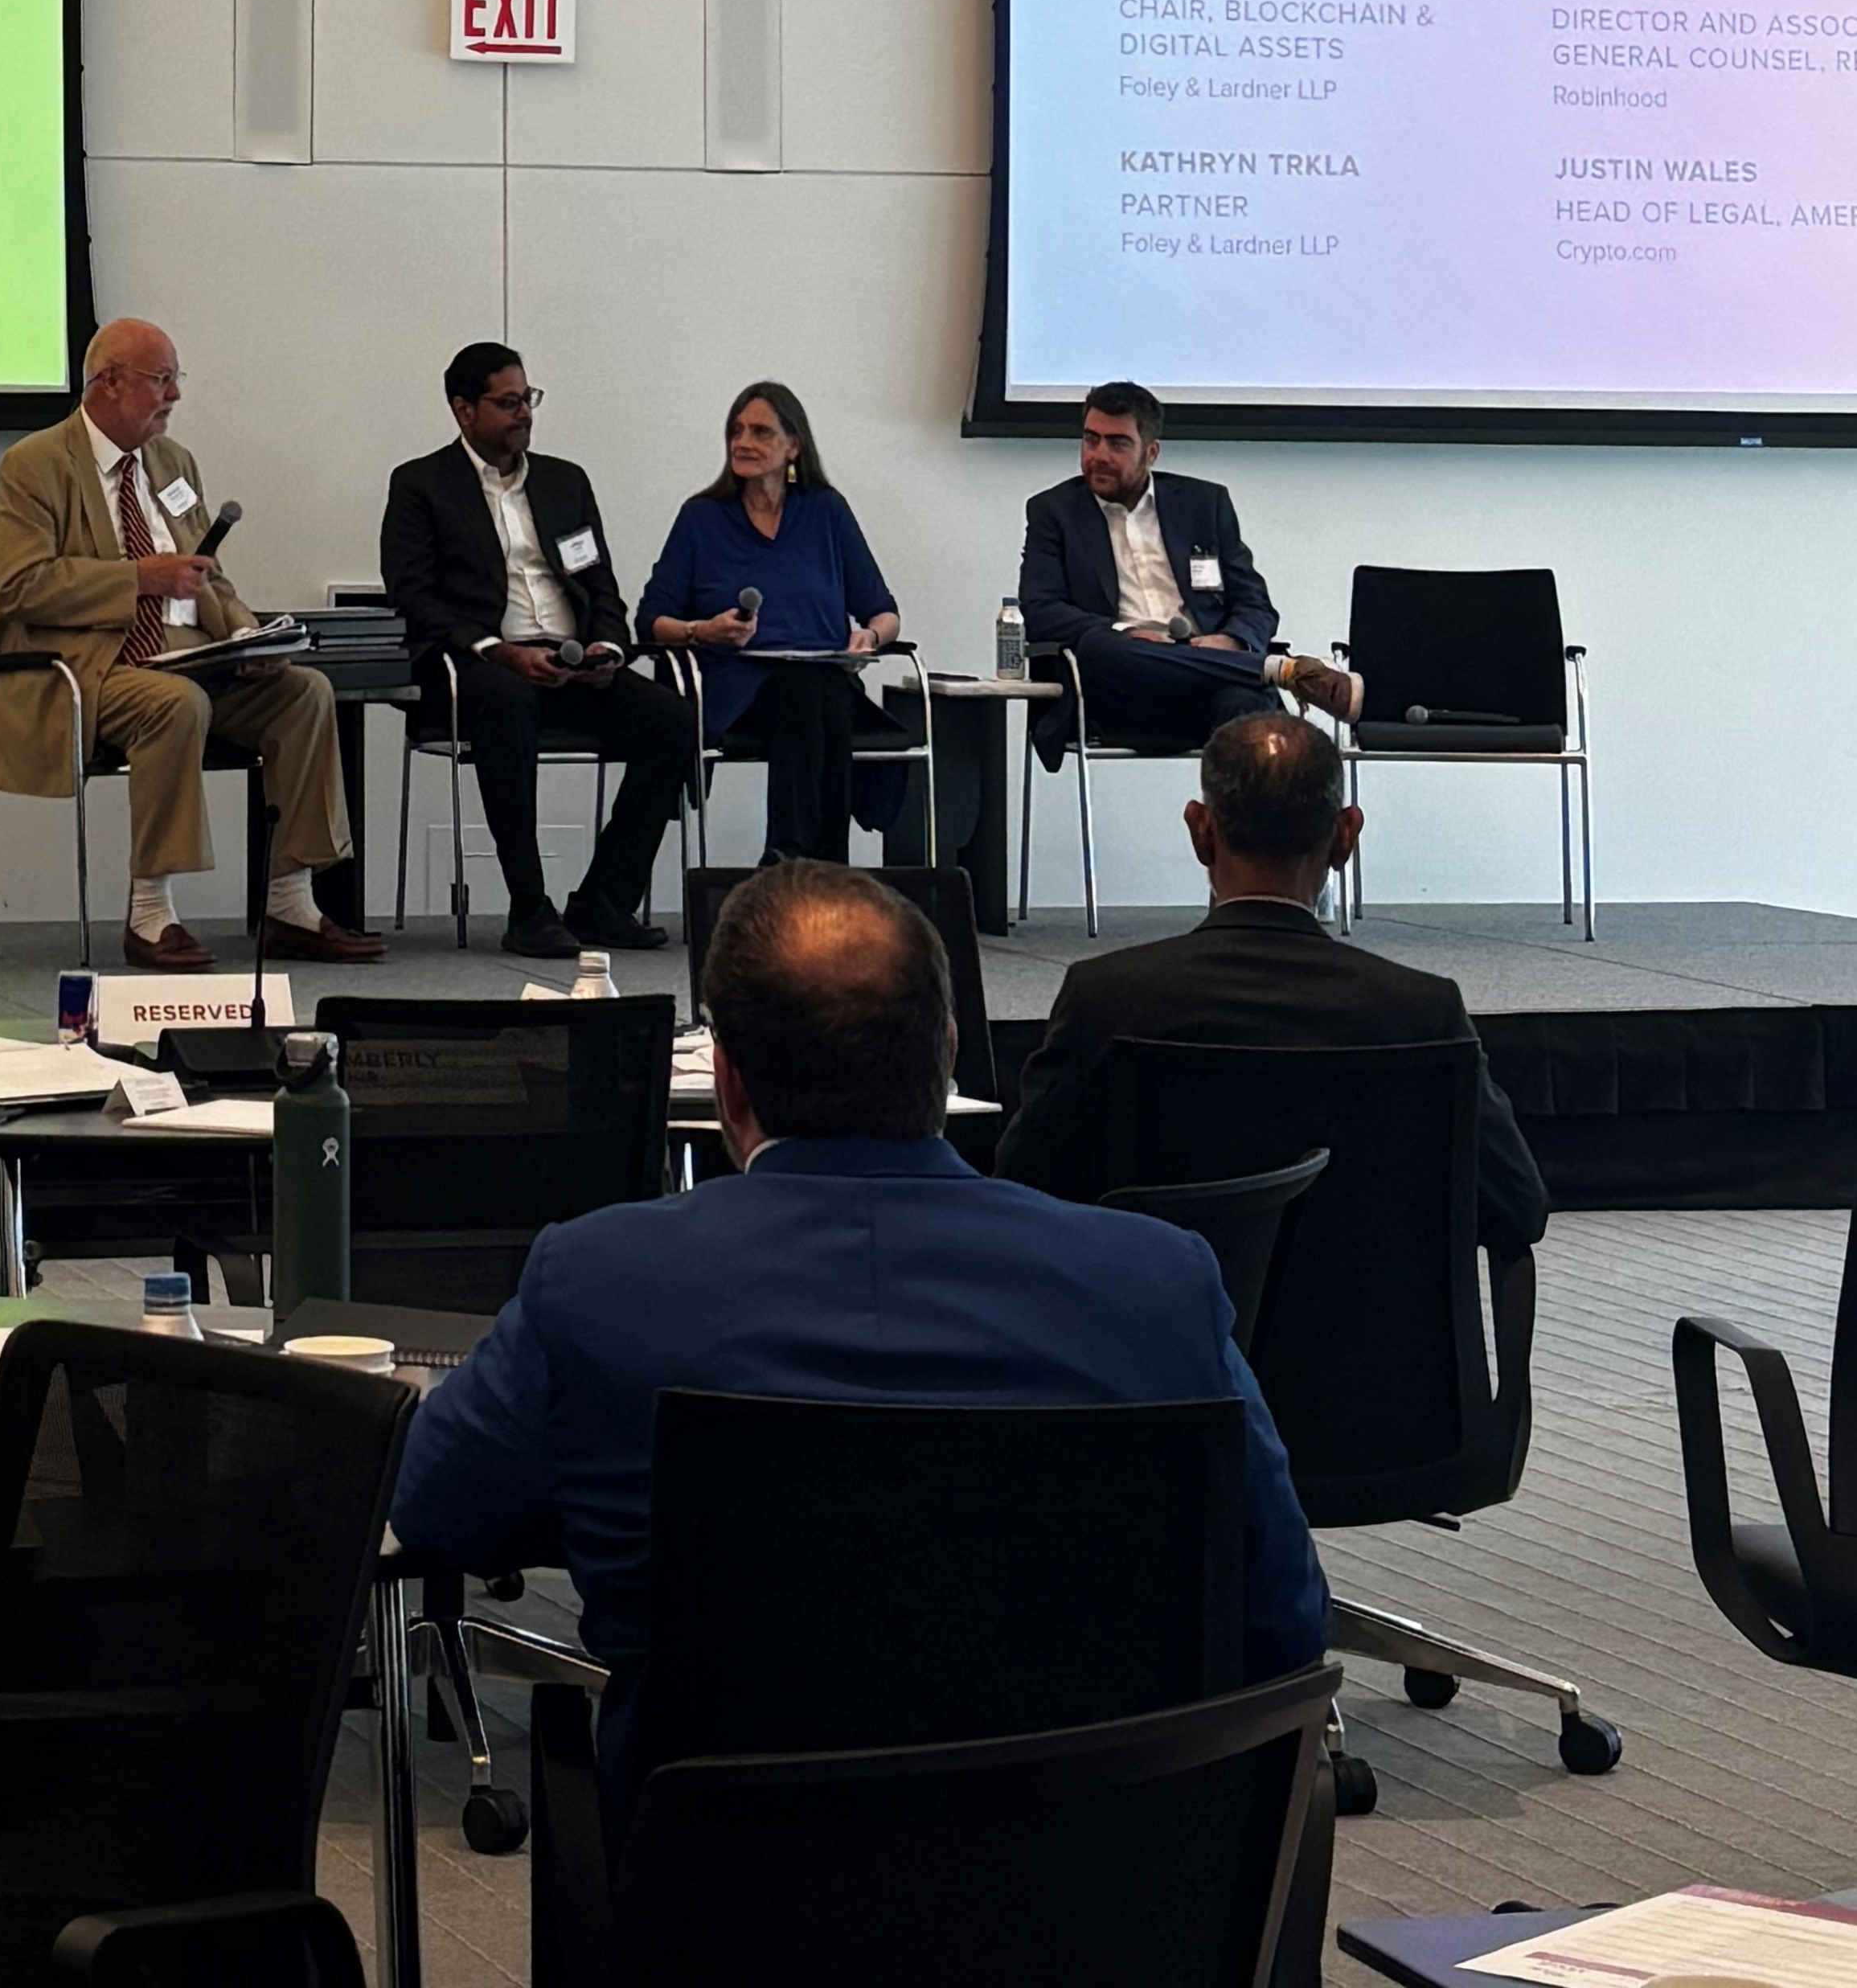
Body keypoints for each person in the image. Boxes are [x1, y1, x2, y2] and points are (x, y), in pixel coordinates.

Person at [395, 866, 1326, 1830]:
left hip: (725, 1916)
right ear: (951, 1050)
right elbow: (1285, 1623)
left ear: (728, 1082)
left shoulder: (597, 1285)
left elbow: (434, 1506)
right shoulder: (1158, 1285)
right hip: (1096, 1907)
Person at [997, 707, 1549, 1255]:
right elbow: (1519, 1207)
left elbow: (1020, 1199)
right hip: (1367, 1342)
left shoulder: (1107, 1000)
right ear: (1345, 837)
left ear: (1200, 831)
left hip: (1164, 1339)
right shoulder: (1425, 1012)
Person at [0, 317, 380, 971]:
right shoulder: (35, 465)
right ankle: (152, 913)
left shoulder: (173, 463)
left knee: (304, 692)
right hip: (88, 668)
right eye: (162, 380)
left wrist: (246, 636)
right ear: (108, 384)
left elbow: (204, 571)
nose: (175, 396)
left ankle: (290, 903)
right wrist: (138, 579)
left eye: (175, 379)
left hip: (194, 657)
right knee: (174, 703)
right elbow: (19, 589)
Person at [379, 344, 689, 958]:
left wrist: (607, 647)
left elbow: (601, 585)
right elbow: (413, 598)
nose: (524, 413)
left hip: (573, 664)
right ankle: (529, 908)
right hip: (478, 667)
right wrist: (498, 650)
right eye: (508, 402)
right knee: (508, 700)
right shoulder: (421, 485)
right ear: (464, 410)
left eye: (528, 399)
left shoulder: (564, 482)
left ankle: (604, 900)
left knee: (673, 719)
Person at [1019, 379, 1362, 765]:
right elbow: (1040, 610)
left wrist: (1232, 641)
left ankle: (1255, 825)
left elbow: (1254, 604)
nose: (1099, 455)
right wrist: (1129, 634)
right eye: (1090, 439)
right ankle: (1278, 671)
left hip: (1208, 694)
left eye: (1117, 444)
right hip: (1121, 692)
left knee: (1251, 711)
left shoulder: (1204, 504)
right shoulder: (1054, 512)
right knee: (1098, 645)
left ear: (1151, 453)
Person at [637, 379, 903, 862]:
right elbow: (651, 620)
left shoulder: (826, 511)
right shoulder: (702, 518)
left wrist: (868, 637)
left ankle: (794, 859)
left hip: (824, 684)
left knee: (818, 692)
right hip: (737, 690)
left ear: (793, 446)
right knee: (814, 696)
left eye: (760, 432)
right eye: (736, 431)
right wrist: (703, 631)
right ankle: (816, 867)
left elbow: (884, 611)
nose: (743, 442)